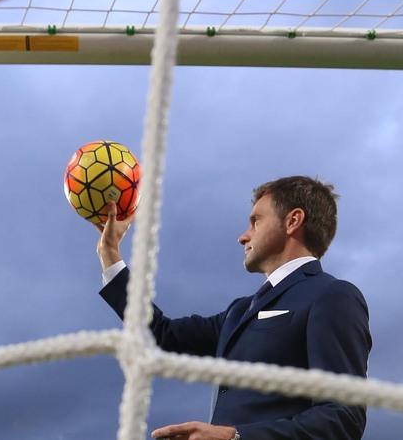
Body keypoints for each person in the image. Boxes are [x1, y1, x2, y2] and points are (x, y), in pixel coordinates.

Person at [96, 175, 372, 440]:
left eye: (255, 221)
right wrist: (110, 255)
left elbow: (342, 418)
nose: (243, 236)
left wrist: (235, 436)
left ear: (292, 221)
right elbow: (162, 333)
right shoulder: (238, 312)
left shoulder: (333, 295)